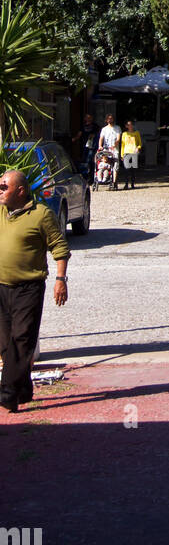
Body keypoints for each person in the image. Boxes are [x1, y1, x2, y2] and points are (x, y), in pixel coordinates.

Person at [0, 169, 69, 412]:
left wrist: (61, 279)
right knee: (5, 343)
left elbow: (60, 248)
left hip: (28, 287)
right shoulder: (1, 212)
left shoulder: (41, 215)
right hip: (1, 287)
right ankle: (23, 390)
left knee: (22, 339)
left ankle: (6, 393)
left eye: (3, 187)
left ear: (20, 190)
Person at [75, 113, 99, 182]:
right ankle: (85, 176)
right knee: (84, 161)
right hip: (84, 146)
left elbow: (97, 135)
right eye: (87, 117)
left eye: (90, 117)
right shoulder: (83, 126)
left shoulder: (95, 126)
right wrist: (74, 139)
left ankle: (91, 178)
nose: (88, 119)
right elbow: (79, 135)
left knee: (90, 161)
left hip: (92, 146)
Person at [120, 120, 142, 190]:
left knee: (133, 169)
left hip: (134, 152)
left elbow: (139, 143)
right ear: (126, 126)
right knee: (126, 169)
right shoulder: (124, 134)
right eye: (128, 125)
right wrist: (122, 154)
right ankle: (126, 184)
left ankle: (132, 184)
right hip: (126, 152)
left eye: (131, 124)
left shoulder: (136, 133)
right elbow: (123, 145)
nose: (130, 126)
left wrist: (138, 148)